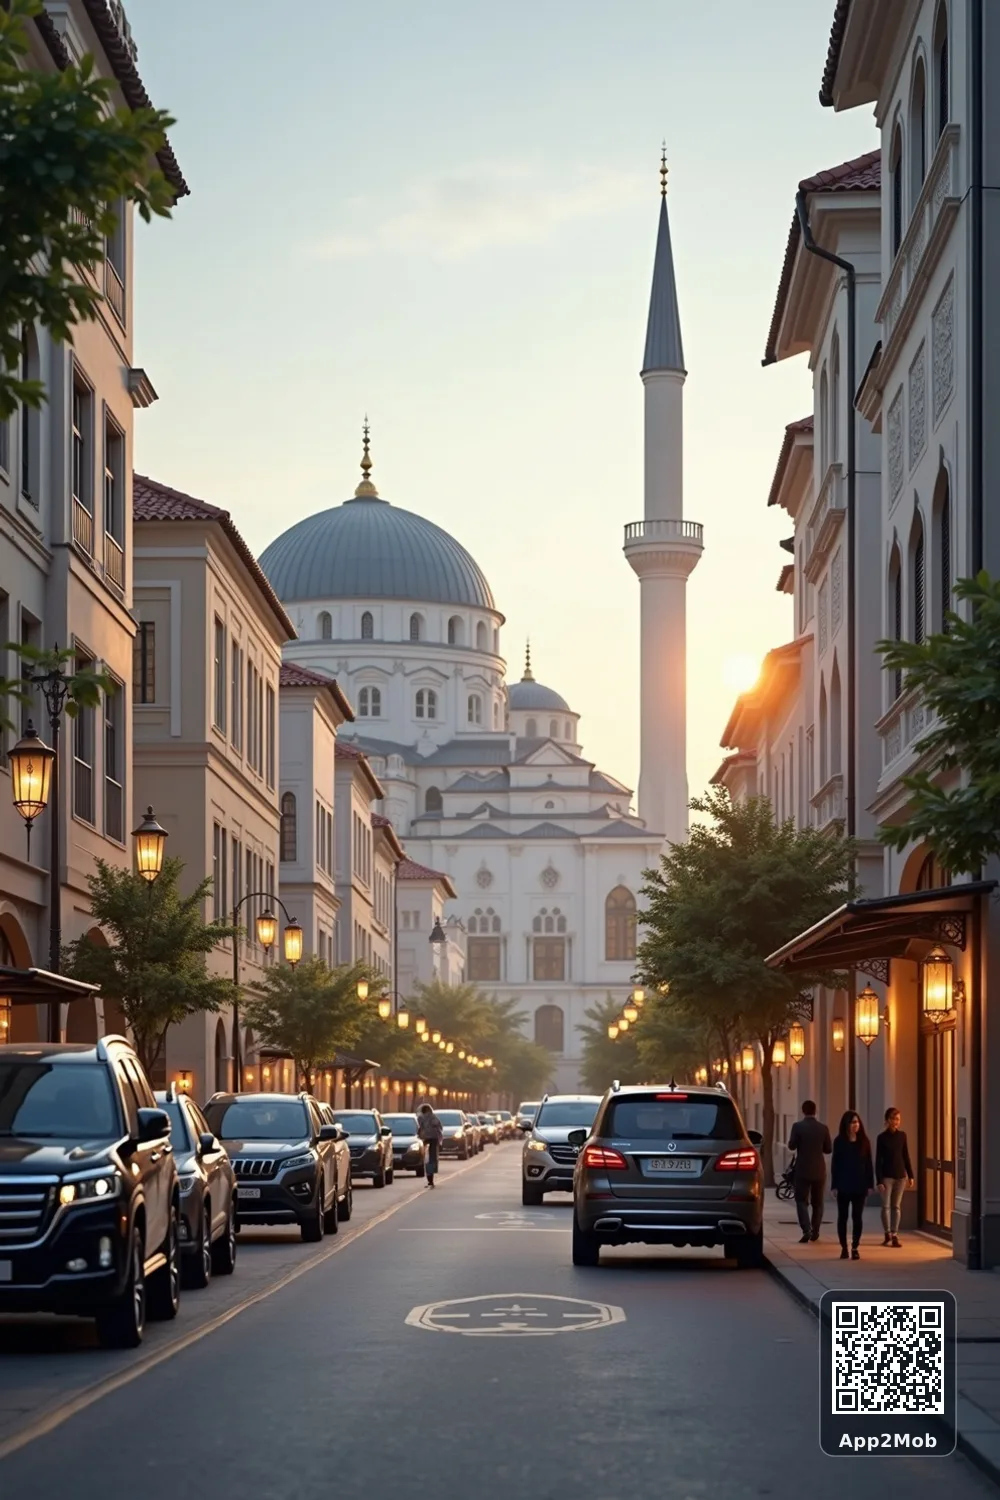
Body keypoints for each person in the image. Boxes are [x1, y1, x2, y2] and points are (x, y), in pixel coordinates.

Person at [831, 1110, 875, 1260]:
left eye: (857, 1122)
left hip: (859, 1185)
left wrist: (870, 1184)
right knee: (842, 1217)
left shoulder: (864, 1142)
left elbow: (869, 1164)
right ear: (846, 1124)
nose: (855, 1125)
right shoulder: (839, 1141)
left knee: (857, 1217)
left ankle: (855, 1246)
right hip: (843, 1185)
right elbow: (835, 1164)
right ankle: (844, 1247)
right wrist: (834, 1185)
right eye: (852, 1122)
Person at [787, 1101, 833, 1243]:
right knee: (818, 1202)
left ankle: (806, 1229)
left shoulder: (797, 1127)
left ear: (803, 1111)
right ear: (815, 1111)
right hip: (819, 1170)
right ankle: (816, 1230)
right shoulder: (823, 1128)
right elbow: (828, 1149)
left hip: (802, 1169)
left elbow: (791, 1146)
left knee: (801, 1200)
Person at [875, 1107, 915, 1248]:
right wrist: (879, 1180)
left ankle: (895, 1234)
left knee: (896, 1206)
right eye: (894, 1119)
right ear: (888, 1120)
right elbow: (878, 1160)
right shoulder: (882, 1138)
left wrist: (911, 1175)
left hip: (900, 1176)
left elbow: (906, 1156)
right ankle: (887, 1233)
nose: (896, 1122)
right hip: (887, 1177)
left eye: (898, 1119)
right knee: (886, 1206)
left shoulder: (902, 1136)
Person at [416, 1101, 444, 1188]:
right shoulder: (434, 1117)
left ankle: (429, 1178)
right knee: (432, 1159)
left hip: (424, 1140)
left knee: (426, 1159)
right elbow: (440, 1127)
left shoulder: (420, 1118)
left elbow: (418, 1128)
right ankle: (431, 1178)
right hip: (433, 1140)